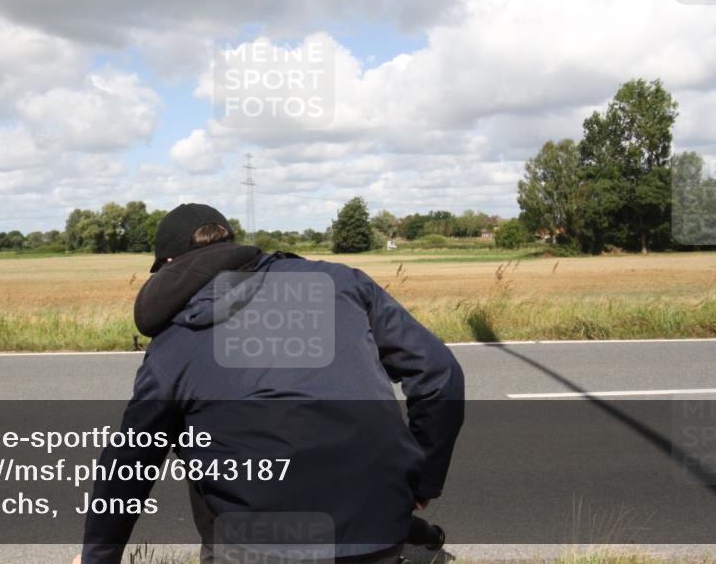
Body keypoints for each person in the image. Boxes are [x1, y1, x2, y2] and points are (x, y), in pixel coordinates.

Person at [79, 203, 465, 564]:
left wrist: (97, 558)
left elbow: (129, 464)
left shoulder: (173, 345)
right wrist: (422, 480)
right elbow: (440, 373)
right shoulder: (340, 282)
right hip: (380, 527)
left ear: (167, 265)